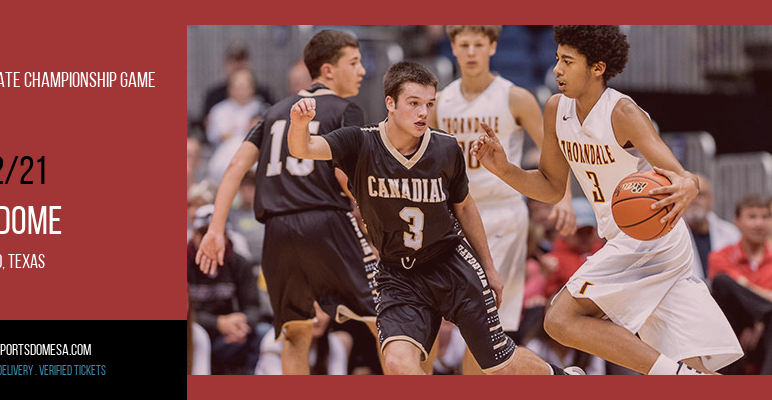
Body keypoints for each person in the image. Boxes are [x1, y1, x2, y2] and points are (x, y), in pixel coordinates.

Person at [471, 25, 742, 374]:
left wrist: (687, 183)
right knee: (700, 368)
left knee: (560, 318)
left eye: (568, 61)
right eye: (556, 59)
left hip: (650, 238)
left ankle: (671, 378)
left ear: (597, 68)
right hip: (624, 237)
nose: (556, 69)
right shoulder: (556, 108)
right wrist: (503, 169)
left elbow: (678, 173)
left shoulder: (622, 113)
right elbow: (551, 187)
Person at [287, 60, 581, 375]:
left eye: (429, 104)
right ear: (390, 103)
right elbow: (303, 149)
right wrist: (299, 123)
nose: (423, 112)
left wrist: (490, 269)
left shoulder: (445, 148)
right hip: (398, 274)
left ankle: (559, 377)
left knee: (499, 367)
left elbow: (465, 208)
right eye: (413, 103)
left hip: (450, 265)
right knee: (398, 363)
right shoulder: (359, 142)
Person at [196, 30, 379, 375]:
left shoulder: (273, 111)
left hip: (278, 231)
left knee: (296, 332)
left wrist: (216, 229)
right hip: (328, 222)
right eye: (353, 63)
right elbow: (348, 176)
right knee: (384, 318)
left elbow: (235, 166)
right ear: (328, 70)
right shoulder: (346, 109)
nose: (362, 71)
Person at [429, 26, 577, 373]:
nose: (470, 52)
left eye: (478, 44)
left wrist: (564, 199)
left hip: (503, 212)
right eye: (463, 45)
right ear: (452, 47)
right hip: (456, 215)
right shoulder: (442, 101)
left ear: (493, 46)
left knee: (487, 321)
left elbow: (552, 153)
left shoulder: (515, 97)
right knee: (442, 317)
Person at [708, 195, 772, 374]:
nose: (759, 223)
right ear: (737, 222)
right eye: (752, 217)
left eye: (765, 217)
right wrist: (768, 303)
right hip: (732, 329)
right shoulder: (720, 256)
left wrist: (760, 320)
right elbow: (727, 293)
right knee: (723, 282)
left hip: (768, 333)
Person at [187, 205, 264, 374]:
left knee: (262, 334)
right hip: (195, 329)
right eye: (203, 233)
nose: (210, 240)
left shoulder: (239, 263)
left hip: (232, 332)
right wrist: (217, 323)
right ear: (194, 235)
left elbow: (253, 305)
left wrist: (243, 324)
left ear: (227, 236)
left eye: (216, 234)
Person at [684, 175, 741, 279]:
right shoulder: (671, 236)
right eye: (689, 194)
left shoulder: (731, 233)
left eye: (700, 194)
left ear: (711, 199)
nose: (694, 200)